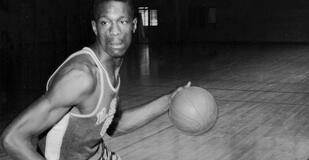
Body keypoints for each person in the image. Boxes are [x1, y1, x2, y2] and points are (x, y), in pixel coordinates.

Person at [0, 0, 191, 159]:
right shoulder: (81, 77)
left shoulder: (111, 66)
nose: (114, 31)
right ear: (95, 28)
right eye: (105, 22)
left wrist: (168, 101)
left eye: (122, 21)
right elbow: (13, 138)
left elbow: (115, 125)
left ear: (133, 26)